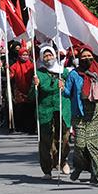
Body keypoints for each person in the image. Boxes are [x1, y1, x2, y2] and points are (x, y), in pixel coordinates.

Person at [63, 47, 98, 186]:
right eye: (83, 56)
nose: (86, 58)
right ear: (79, 59)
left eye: (89, 55)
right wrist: (61, 87)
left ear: (93, 57)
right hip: (80, 113)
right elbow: (66, 92)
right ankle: (79, 166)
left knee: (94, 146)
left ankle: (97, 176)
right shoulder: (74, 74)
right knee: (80, 145)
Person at [30, 46, 71, 179]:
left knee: (64, 138)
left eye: (50, 55)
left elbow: (72, 89)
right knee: (46, 141)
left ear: (55, 56)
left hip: (62, 109)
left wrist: (64, 86)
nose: (48, 58)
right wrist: (35, 86)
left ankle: (62, 160)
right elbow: (31, 97)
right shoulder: (39, 73)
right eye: (45, 56)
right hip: (45, 111)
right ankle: (47, 170)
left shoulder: (64, 72)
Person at [9, 47, 36, 134]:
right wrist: (6, 70)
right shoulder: (14, 66)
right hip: (19, 91)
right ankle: (20, 127)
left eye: (26, 55)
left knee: (30, 109)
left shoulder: (32, 65)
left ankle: (31, 127)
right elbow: (11, 75)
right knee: (20, 109)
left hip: (30, 90)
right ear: (19, 55)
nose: (25, 57)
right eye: (23, 55)